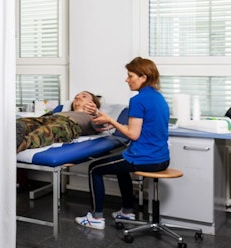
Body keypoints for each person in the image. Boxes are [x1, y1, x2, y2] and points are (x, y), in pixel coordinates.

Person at [75, 57, 169, 230]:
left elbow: (133, 134)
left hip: (144, 158)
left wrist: (111, 120)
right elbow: (142, 127)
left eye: (130, 76)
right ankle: (126, 211)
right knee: (121, 167)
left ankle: (96, 218)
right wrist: (114, 124)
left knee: (95, 168)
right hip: (162, 158)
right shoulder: (158, 97)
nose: (127, 80)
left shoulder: (138, 100)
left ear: (143, 77)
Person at [16, 91, 111, 152]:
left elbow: (102, 125)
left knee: (47, 131)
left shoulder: (93, 117)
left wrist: (96, 112)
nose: (78, 97)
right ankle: (14, 135)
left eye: (84, 96)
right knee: (22, 122)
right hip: (51, 118)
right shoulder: (62, 111)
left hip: (69, 124)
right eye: (76, 96)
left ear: (93, 103)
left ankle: (18, 144)